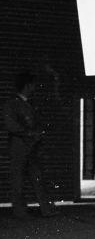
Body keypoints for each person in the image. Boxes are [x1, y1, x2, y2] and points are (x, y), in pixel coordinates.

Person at [4, 71, 56, 220]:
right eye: (32, 85)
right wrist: (29, 133)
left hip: (32, 147)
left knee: (38, 178)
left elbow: (38, 123)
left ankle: (47, 209)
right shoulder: (11, 104)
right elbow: (10, 125)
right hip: (19, 147)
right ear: (27, 86)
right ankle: (20, 212)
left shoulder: (31, 104)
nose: (34, 88)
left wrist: (38, 134)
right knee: (18, 180)